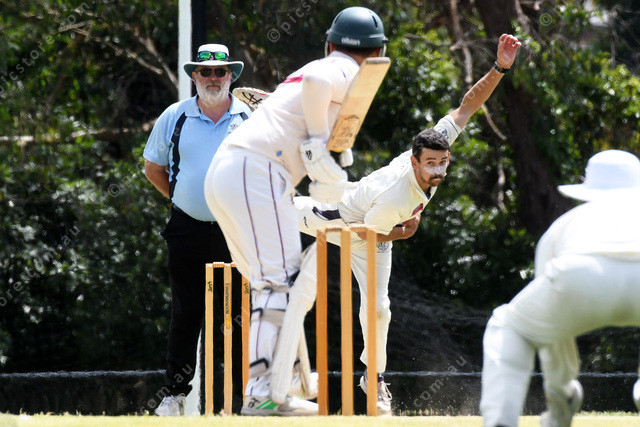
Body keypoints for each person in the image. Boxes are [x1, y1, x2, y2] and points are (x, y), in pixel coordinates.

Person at [294, 34, 521, 414]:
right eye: (430, 164)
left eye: (443, 162)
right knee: (279, 208)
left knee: (379, 309)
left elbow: (467, 107)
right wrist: (404, 232)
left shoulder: (437, 144)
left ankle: (374, 379)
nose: (438, 170)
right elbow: (365, 235)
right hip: (350, 221)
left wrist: (500, 67)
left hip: (374, 218)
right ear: (414, 162)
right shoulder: (397, 195)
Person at [203, 6, 388, 416]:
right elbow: (321, 81)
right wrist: (320, 142)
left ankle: (277, 385)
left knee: (271, 284)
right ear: (376, 52)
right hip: (257, 170)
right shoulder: (344, 67)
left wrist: (327, 156)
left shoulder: (314, 75)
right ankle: (263, 393)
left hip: (232, 171)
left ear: (329, 42)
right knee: (279, 283)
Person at [480, 149, 640, 427]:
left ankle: (543, 407)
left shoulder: (566, 223)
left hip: (580, 275)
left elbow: (552, 327)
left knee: (508, 325)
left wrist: (559, 388)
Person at [143, 43, 252, 416]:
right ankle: (174, 395)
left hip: (234, 229)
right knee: (186, 312)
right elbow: (153, 168)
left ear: (231, 76)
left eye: (220, 71)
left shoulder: (250, 117)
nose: (213, 78)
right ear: (194, 76)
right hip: (186, 228)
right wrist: (183, 199)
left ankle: (239, 400)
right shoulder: (175, 116)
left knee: (235, 315)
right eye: (206, 72)